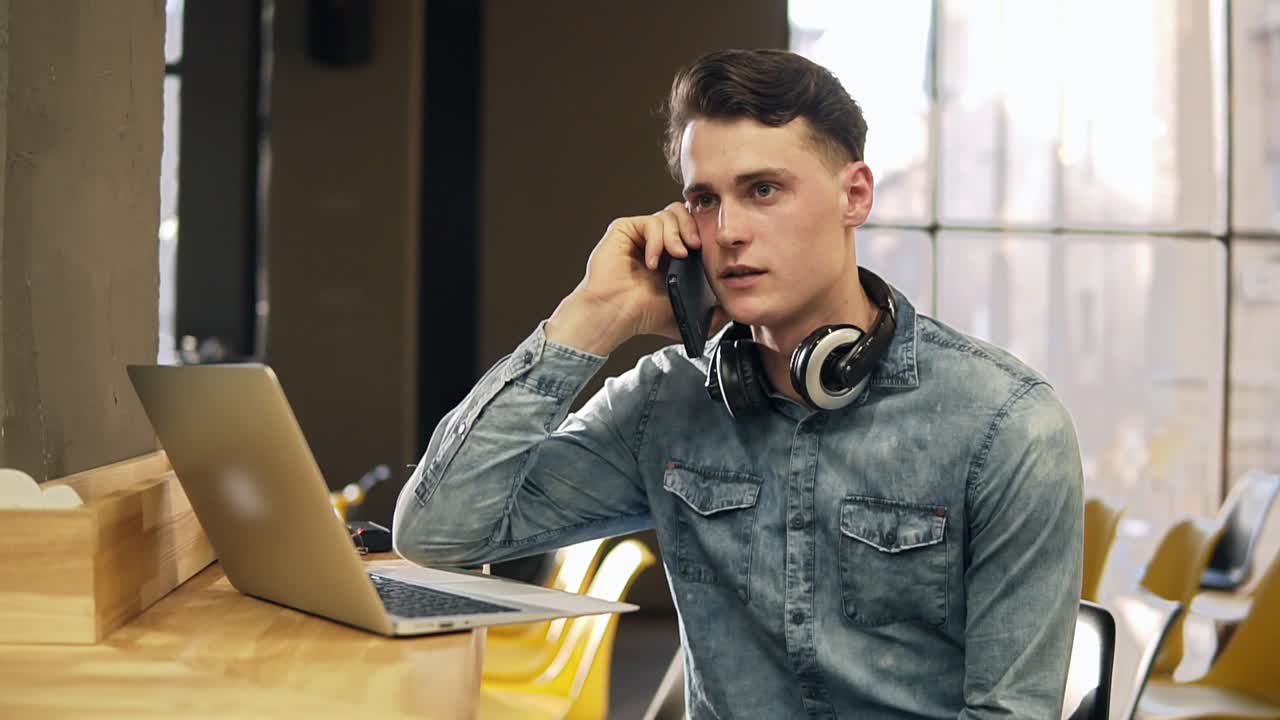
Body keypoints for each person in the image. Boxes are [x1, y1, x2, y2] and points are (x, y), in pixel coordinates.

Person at [394, 48, 1083, 718]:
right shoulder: (665, 399)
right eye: (703, 200)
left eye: (763, 191)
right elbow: (439, 531)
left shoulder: (1006, 425)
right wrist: (592, 317)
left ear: (855, 195)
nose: (727, 232)